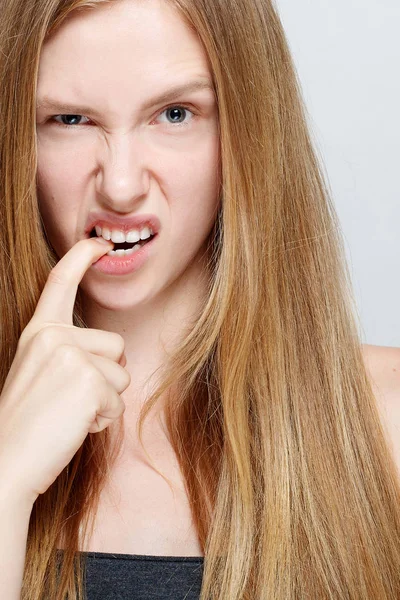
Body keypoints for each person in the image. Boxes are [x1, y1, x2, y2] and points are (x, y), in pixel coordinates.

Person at [0, 0, 399, 598]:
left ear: (247, 131)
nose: (122, 185)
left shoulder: (385, 422)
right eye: (70, 120)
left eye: (175, 113)